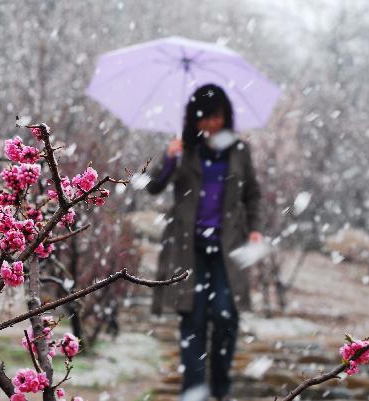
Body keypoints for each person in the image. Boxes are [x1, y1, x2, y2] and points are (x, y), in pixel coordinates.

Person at [147, 83, 263, 401]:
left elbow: (253, 194)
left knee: (227, 315)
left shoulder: (238, 150)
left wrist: (255, 229)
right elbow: (153, 186)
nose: (211, 124)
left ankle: (221, 389)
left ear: (225, 117)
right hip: (189, 249)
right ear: (194, 119)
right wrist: (169, 159)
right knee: (193, 319)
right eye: (205, 118)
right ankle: (193, 393)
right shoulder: (184, 148)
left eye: (217, 117)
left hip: (228, 248)